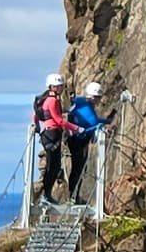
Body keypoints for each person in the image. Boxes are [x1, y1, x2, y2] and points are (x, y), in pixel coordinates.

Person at [30, 74, 74, 210]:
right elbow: (58, 120)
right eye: (59, 86)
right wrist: (76, 128)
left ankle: (46, 195)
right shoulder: (53, 100)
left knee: (52, 166)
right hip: (53, 134)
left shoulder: (46, 98)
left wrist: (37, 126)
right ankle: (47, 195)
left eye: (61, 86)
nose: (61, 88)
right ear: (53, 87)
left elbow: (35, 114)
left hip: (48, 134)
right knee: (53, 166)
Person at [63, 82, 105, 204]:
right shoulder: (87, 108)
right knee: (79, 168)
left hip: (73, 139)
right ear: (93, 97)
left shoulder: (79, 102)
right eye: (98, 98)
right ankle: (73, 196)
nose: (99, 100)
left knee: (77, 168)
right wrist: (107, 122)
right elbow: (93, 123)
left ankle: (73, 195)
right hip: (79, 141)